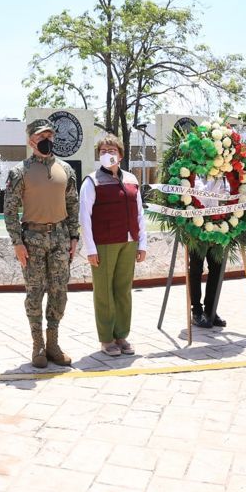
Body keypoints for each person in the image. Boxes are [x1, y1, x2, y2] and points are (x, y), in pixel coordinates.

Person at [4, 118, 80, 368]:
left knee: (59, 292)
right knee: (34, 293)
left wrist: (74, 237)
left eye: (49, 135)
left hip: (59, 237)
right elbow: (10, 209)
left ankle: (53, 344)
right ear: (30, 140)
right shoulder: (19, 171)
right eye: (40, 136)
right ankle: (38, 345)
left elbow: (72, 205)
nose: (46, 140)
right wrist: (17, 242)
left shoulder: (66, 170)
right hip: (32, 239)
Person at [79, 134, 147, 356]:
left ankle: (121, 335)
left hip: (129, 242)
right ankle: (107, 339)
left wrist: (142, 243)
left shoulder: (131, 180)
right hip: (104, 244)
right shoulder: (92, 181)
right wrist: (90, 249)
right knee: (104, 293)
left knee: (123, 291)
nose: (108, 154)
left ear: (120, 154)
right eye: (103, 151)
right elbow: (84, 217)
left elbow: (139, 213)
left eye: (112, 150)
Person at [187, 176, 231, 329]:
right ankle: (197, 311)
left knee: (217, 270)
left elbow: (227, 197)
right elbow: (200, 196)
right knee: (196, 271)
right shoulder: (196, 175)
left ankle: (211, 310)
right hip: (197, 230)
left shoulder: (223, 175)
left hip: (218, 229)